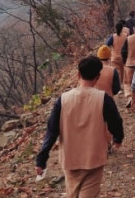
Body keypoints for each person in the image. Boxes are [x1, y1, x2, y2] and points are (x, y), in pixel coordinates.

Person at [35, 56, 124, 198]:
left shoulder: (62, 100)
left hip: (70, 158)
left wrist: (41, 159)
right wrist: (118, 138)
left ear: (78, 74)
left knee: (72, 193)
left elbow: (52, 131)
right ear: (98, 76)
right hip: (94, 157)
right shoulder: (103, 98)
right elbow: (116, 122)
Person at [104, 21, 127, 89]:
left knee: (117, 71)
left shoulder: (113, 37)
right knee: (123, 70)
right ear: (122, 28)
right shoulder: (125, 36)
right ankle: (122, 84)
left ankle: (119, 86)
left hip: (115, 56)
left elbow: (106, 45)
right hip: (123, 56)